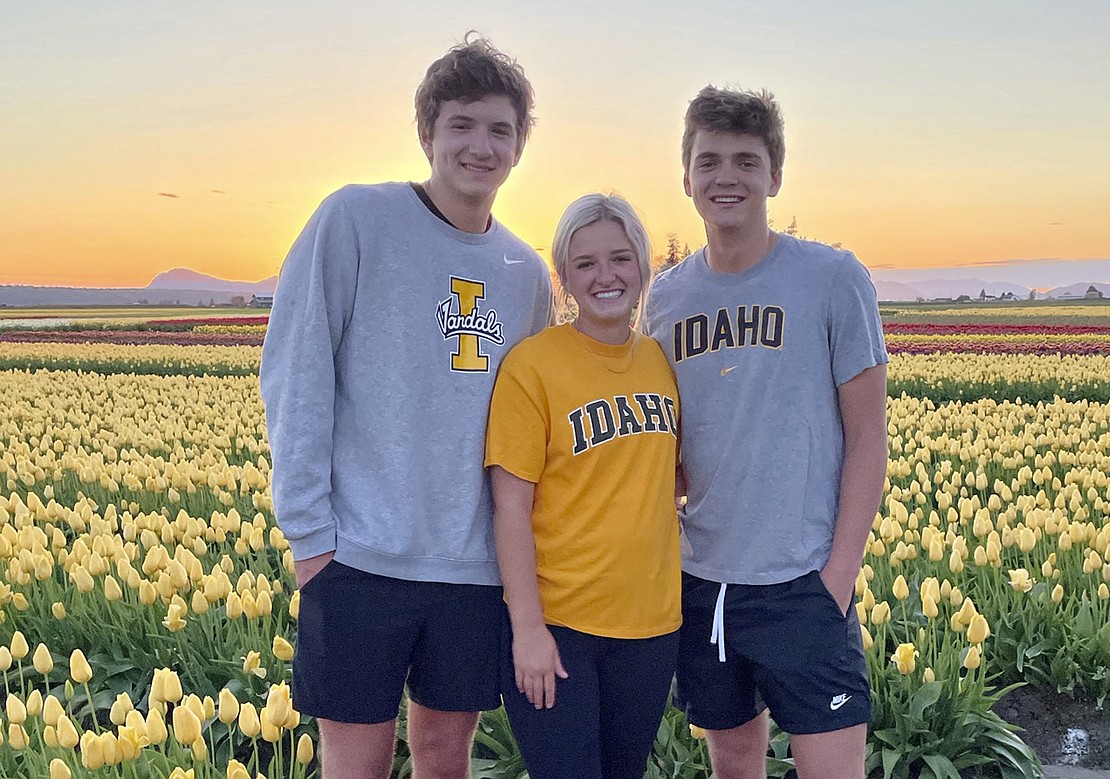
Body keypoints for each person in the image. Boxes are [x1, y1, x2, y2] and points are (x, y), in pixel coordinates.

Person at [260, 35, 552, 779]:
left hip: (471, 567)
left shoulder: (526, 275)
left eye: (499, 129)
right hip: (358, 557)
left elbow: (532, 429)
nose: (479, 145)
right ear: (427, 133)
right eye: (461, 124)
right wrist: (311, 542)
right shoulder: (356, 220)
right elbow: (296, 371)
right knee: (355, 762)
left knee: (444, 755)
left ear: (520, 145)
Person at [641, 86, 889, 779]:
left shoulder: (833, 279)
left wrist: (836, 577)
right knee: (733, 768)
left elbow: (869, 438)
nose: (727, 177)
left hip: (802, 581)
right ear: (686, 175)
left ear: (775, 175)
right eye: (710, 160)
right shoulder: (666, 298)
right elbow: (673, 441)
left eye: (747, 161)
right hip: (706, 581)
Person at [486, 194, 681, 779]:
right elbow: (509, 507)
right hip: (561, 628)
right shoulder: (533, 365)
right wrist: (528, 630)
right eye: (585, 263)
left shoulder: (662, 361)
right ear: (564, 277)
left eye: (620, 259)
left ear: (644, 268)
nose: (606, 276)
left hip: (651, 627)